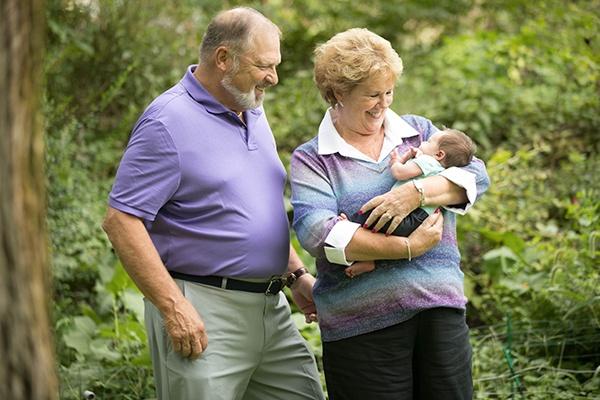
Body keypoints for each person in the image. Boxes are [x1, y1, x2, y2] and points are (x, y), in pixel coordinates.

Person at [102, 7, 324, 400]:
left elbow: (254, 210)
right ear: (224, 59)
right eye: (264, 66)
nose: (273, 78)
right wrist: (174, 308)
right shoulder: (167, 121)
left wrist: (295, 275)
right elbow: (121, 219)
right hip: (203, 309)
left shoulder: (252, 109)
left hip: (271, 309)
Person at [290, 28, 490, 400]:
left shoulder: (420, 133)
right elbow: (317, 232)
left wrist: (414, 194)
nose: (383, 104)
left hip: (438, 307)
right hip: (361, 325)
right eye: (371, 94)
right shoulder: (312, 158)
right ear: (337, 93)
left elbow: (476, 175)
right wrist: (407, 247)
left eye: (389, 92)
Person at [345, 128, 476, 278]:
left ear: (439, 154)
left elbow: (400, 173)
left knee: (373, 215)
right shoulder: (441, 170)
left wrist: (396, 160)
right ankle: (369, 259)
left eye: (429, 141)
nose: (424, 141)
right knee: (383, 231)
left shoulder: (427, 161)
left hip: (407, 215)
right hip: (421, 221)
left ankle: (350, 225)